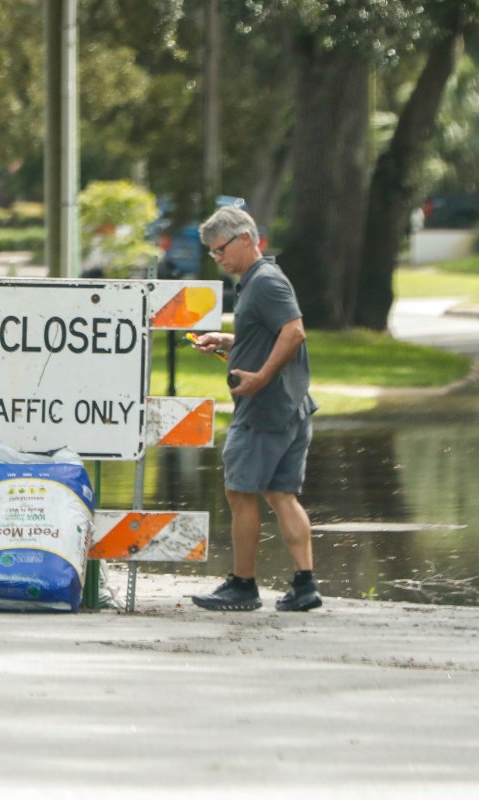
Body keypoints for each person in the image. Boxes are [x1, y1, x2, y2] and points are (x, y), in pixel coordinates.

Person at [188, 205, 321, 612]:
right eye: (212, 252)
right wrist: (227, 342)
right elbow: (270, 333)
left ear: (246, 238)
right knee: (282, 494)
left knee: (239, 491)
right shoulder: (259, 282)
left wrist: (261, 377)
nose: (218, 258)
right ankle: (305, 584)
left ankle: (243, 586)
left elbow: (294, 331)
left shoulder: (264, 282)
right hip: (291, 406)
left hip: (264, 410)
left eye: (221, 249)